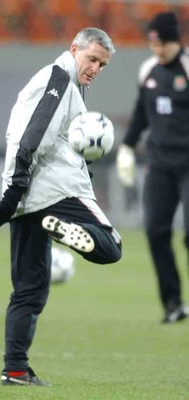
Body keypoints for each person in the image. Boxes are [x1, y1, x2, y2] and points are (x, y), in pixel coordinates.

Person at [0, 27, 122, 386]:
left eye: (102, 64)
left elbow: (29, 133)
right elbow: (33, 134)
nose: (95, 68)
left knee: (28, 290)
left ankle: (15, 370)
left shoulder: (68, 84)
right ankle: (66, 231)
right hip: (54, 191)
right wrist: (14, 189)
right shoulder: (59, 78)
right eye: (92, 58)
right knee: (111, 246)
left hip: (30, 199)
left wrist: (14, 195)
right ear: (73, 48)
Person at [116, 12, 189, 324]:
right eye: (154, 44)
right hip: (159, 164)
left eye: (164, 44)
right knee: (156, 232)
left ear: (177, 40)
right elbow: (140, 114)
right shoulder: (147, 70)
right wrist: (127, 147)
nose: (158, 50)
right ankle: (173, 303)